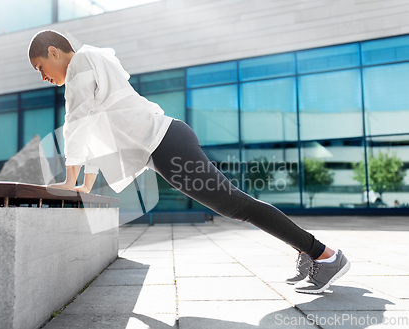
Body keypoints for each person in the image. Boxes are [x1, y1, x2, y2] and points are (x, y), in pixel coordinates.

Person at [27, 29, 350, 294]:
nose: (42, 77)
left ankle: (325, 255)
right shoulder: (91, 61)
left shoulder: (81, 64)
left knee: (235, 205)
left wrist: (69, 180)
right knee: (236, 204)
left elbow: (77, 121)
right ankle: (311, 252)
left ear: (54, 52)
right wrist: (84, 182)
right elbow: (96, 129)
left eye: (40, 68)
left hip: (168, 146)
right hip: (168, 143)